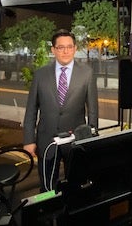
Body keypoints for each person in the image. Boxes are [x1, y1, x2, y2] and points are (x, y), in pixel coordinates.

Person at [23, 29, 98, 192]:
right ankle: (49, 208)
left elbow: (93, 109)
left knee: (77, 185)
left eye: (69, 47)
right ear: (53, 50)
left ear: (75, 48)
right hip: (46, 139)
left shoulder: (87, 73)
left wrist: (92, 137)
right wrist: (29, 140)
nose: (66, 51)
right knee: (47, 188)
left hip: (75, 140)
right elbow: (31, 110)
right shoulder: (40, 74)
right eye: (61, 47)